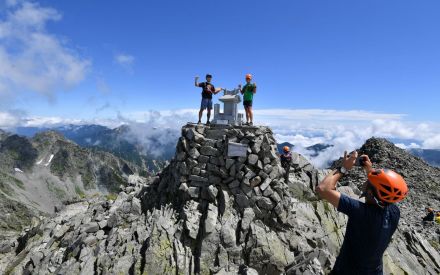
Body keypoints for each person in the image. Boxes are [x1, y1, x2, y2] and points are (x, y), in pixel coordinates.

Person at [315, 151, 408, 275]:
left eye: (368, 182)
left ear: (369, 193)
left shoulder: (361, 212)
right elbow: (381, 193)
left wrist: (344, 168)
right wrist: (369, 170)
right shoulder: (394, 212)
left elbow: (323, 189)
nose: (365, 182)